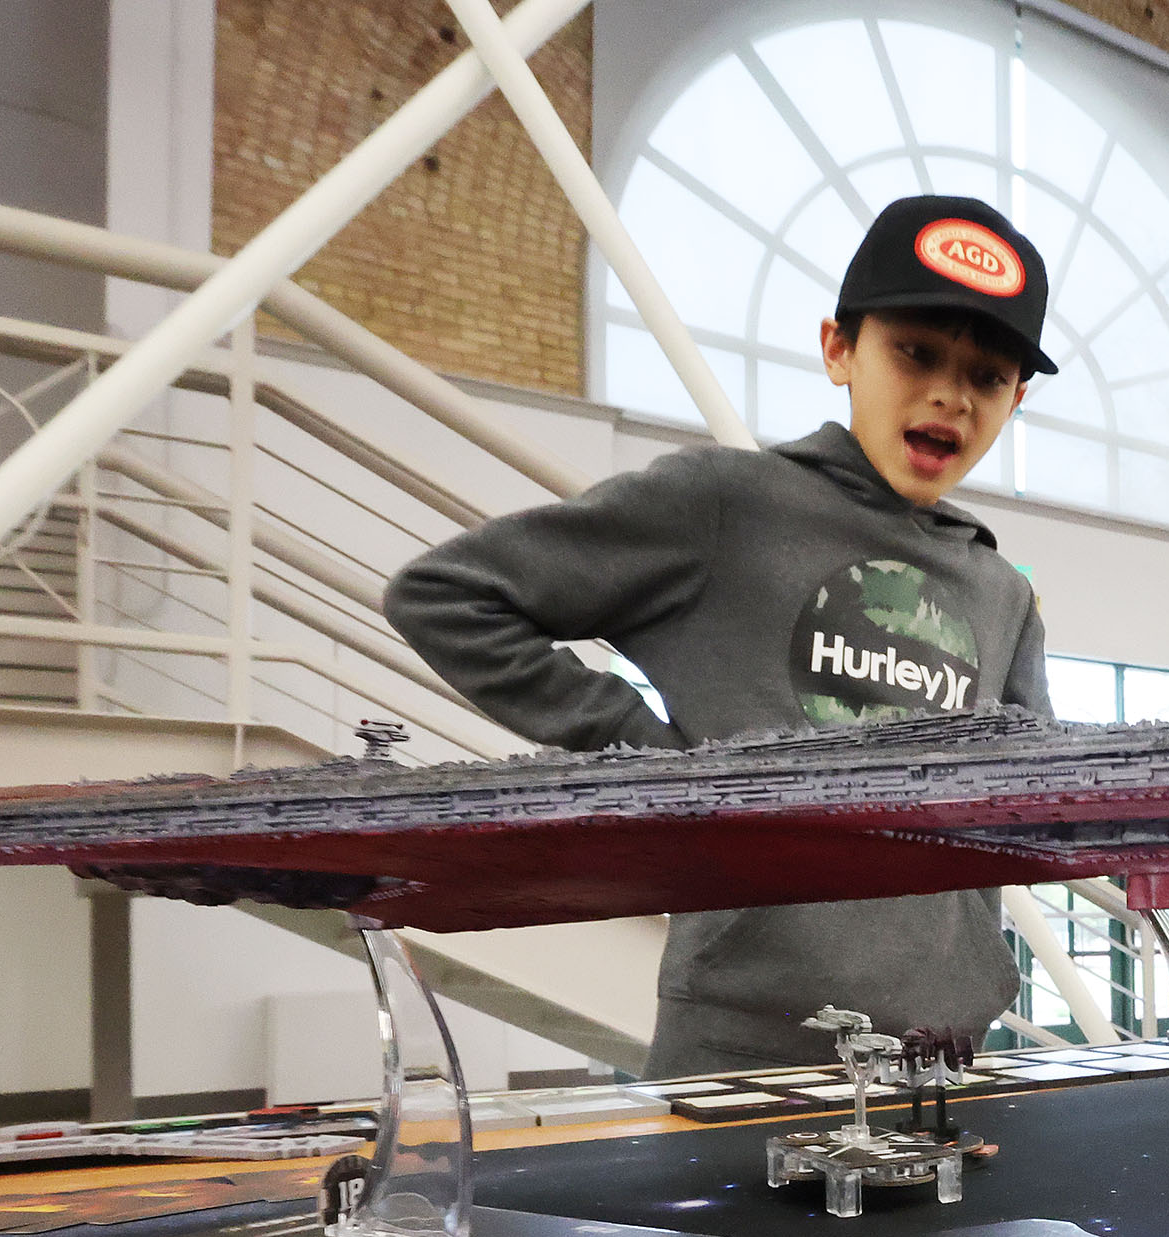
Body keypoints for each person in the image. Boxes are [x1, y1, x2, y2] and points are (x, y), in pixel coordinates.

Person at [384, 195, 1057, 1076]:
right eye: (916, 353)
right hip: (742, 1042)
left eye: (988, 376)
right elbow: (446, 596)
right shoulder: (726, 507)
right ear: (839, 349)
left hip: (943, 1057)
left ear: (1017, 399)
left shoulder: (1001, 591)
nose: (950, 395)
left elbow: (1030, 800)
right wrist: (661, 763)